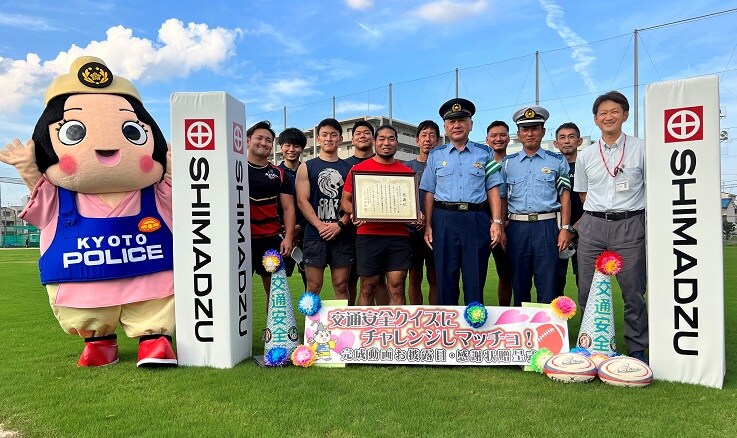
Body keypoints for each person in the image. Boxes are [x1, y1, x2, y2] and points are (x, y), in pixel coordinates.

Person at [574, 91, 648, 364]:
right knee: (586, 290)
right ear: (595, 120)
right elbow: (582, 193)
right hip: (593, 225)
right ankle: (590, 344)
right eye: (603, 113)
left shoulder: (642, 148)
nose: (608, 117)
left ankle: (637, 347)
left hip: (629, 224)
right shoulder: (587, 155)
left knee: (633, 291)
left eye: (614, 111)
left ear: (625, 115)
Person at [419, 98, 505, 305]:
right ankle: (448, 330)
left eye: (461, 120)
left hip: (475, 219)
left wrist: (496, 222)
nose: (456, 125)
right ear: (445, 127)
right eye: (451, 122)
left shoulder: (485, 153)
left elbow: (492, 188)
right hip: (444, 219)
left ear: (471, 124)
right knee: (445, 278)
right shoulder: (436, 155)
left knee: (475, 278)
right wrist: (428, 225)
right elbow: (429, 191)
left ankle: (474, 327)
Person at [501, 106, 573, 306]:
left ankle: (545, 334)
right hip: (517, 227)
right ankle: (522, 333)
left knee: (548, 284)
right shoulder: (508, 163)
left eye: (535, 128)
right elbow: (503, 197)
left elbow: (564, 196)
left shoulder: (557, 161)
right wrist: (501, 227)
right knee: (519, 284)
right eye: (525, 129)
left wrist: (565, 229)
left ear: (543, 131)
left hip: (546, 226)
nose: (530, 133)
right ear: (518, 134)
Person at [341, 124, 415, 305]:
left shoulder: (407, 173)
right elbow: (345, 201)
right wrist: (356, 212)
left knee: (397, 287)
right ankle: (363, 332)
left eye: (391, 139)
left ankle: (397, 330)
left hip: (398, 236)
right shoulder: (359, 169)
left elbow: (411, 205)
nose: (386, 143)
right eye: (381, 139)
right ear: (374, 142)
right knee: (368, 286)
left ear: (397, 143)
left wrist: (417, 214)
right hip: (368, 234)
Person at [296, 118, 353, 300]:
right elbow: (302, 201)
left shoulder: (350, 169)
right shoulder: (307, 167)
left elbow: (355, 204)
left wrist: (340, 225)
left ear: (340, 138)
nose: (329, 138)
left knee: (341, 285)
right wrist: (320, 225)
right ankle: (310, 328)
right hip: (314, 234)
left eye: (334, 135)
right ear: (318, 139)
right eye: (325, 135)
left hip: (342, 234)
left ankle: (342, 328)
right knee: (313, 285)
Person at [246, 121, 295, 297]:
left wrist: (288, 238)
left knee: (275, 291)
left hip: (270, 239)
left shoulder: (279, 174)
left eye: (268, 140)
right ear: (247, 140)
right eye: (259, 138)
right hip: (240, 240)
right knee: (236, 290)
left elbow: (289, 209)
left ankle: (272, 326)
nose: (264, 143)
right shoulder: (234, 169)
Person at [344, 120, 387, 305]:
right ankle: (354, 323)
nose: (362, 135)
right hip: (349, 230)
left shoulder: (385, 162)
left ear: (374, 139)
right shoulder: (344, 165)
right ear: (352, 139)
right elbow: (343, 199)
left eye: (367, 132)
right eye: (358, 133)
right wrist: (351, 215)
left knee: (380, 281)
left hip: (378, 232)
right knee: (350, 279)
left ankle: (385, 323)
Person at [404, 120, 439, 305]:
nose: (428, 139)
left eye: (432, 135)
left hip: (436, 230)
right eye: (424, 135)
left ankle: (433, 317)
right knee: (414, 276)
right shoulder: (407, 166)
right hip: (412, 231)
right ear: (417, 140)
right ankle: (417, 316)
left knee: (435, 277)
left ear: (438, 140)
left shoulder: (443, 165)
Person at [553, 122, 584, 297]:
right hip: (557, 233)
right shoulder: (551, 168)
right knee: (556, 280)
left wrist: (573, 229)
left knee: (585, 281)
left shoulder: (586, 166)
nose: (567, 141)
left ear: (579, 141)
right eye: (562, 138)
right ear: (556, 143)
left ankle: (587, 324)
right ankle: (555, 324)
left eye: (571, 137)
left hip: (584, 231)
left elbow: (592, 202)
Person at [485, 120, 514, 306]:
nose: (498, 139)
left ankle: (505, 312)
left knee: (506, 273)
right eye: (494, 135)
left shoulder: (515, 163)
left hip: (508, 225)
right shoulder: (480, 162)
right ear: (487, 140)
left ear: (509, 138)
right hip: (481, 223)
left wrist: (502, 223)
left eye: (502, 135)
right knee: (475, 271)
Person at [277, 127, 308, 287]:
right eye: (287, 145)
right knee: (278, 283)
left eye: (296, 146)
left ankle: (311, 313)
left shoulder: (309, 172)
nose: (291, 150)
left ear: (302, 148)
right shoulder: (276, 173)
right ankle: (277, 313)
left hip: (306, 234)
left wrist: (300, 227)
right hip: (281, 235)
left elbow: (313, 203)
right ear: (281, 147)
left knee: (311, 283)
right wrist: (287, 229)